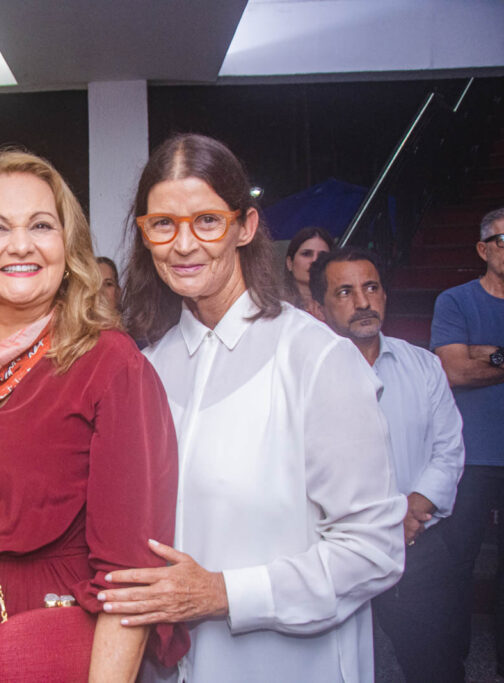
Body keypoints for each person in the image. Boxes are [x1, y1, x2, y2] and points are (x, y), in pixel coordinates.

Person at [100, 133, 405, 682]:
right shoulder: (147, 368)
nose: (183, 245)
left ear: (246, 226)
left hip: (289, 666)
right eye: (162, 224)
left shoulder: (316, 359)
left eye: (208, 221)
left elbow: (374, 551)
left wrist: (222, 593)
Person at [0, 149, 186, 683]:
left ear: (67, 248)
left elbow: (129, 578)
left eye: (41, 225)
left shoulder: (110, 364)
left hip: (53, 633)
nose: (21, 244)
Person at [311, 247, 465, 682]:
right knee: (344, 670)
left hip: (418, 548)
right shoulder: (305, 375)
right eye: (345, 292)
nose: (363, 302)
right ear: (319, 308)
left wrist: (414, 510)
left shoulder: (423, 365)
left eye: (371, 287)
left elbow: (448, 446)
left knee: (435, 664)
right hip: (335, 554)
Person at [430, 205, 504, 681]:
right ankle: (452, 661)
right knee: (457, 563)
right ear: (484, 249)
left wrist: (491, 353)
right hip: (473, 457)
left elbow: (472, 363)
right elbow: (455, 370)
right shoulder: (456, 301)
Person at [284, 225, 334, 309]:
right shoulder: (274, 306)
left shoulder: (340, 307)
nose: (314, 260)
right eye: (306, 254)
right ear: (289, 263)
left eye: (322, 256)